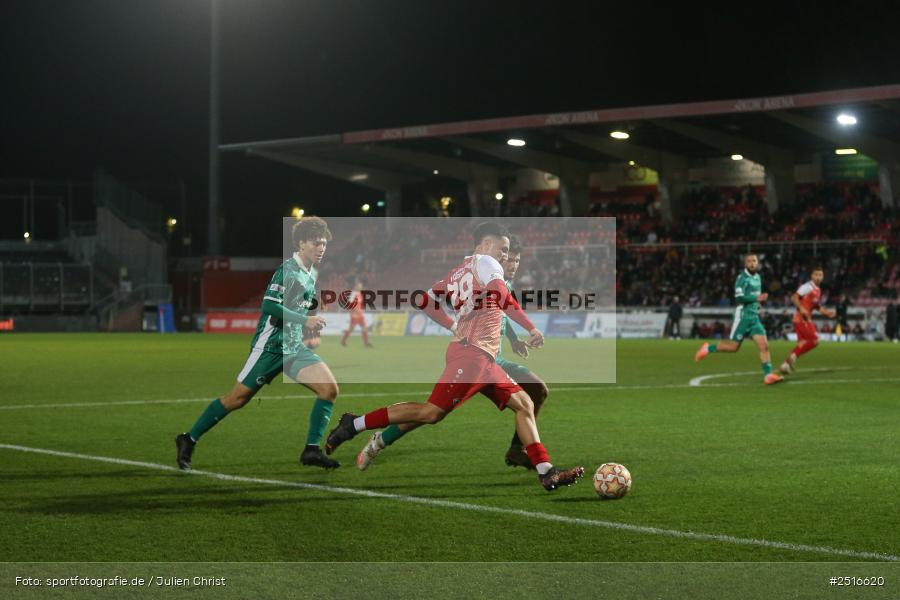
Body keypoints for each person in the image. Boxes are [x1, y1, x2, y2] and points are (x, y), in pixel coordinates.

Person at [326, 222, 584, 491]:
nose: (506, 256)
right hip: (472, 357)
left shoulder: (457, 272)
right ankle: (354, 424)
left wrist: (453, 326)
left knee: (525, 404)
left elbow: (424, 300)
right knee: (431, 413)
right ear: (484, 245)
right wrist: (530, 326)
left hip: (482, 357)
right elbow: (501, 295)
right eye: (503, 249)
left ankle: (546, 471)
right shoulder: (486, 262)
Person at [355, 234, 552, 471]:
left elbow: (500, 312)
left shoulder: (497, 280)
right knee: (431, 412)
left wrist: (513, 339)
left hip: (491, 359)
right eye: (510, 259)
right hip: (474, 356)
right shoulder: (486, 275)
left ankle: (519, 451)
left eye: (517, 260)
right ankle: (379, 438)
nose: (513, 264)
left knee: (535, 392)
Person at [175, 216, 343, 470]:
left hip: (293, 348)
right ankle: (188, 438)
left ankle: (311, 450)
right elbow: (269, 306)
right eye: (316, 242)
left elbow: (297, 305)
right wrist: (305, 319)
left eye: (324, 243)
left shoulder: (310, 273)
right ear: (300, 243)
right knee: (237, 399)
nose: (322, 247)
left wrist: (310, 319)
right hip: (270, 347)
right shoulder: (287, 270)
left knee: (329, 389)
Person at [694, 253, 784, 385]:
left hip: (754, 317)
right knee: (733, 347)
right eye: (749, 261)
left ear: (758, 263)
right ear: (745, 264)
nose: (752, 263)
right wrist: (756, 299)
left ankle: (768, 375)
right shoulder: (742, 278)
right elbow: (739, 298)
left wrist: (757, 303)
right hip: (743, 316)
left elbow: (754, 295)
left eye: (754, 261)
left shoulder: (758, 277)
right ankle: (708, 349)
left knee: (764, 346)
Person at [780, 267, 836, 374]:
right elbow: (794, 297)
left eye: (820, 275)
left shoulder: (818, 290)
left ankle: (786, 364)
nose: (818, 277)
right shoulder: (807, 286)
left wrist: (827, 313)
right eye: (816, 275)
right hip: (802, 318)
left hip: (800, 318)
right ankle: (791, 359)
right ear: (812, 276)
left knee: (802, 343)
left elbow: (816, 306)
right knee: (814, 340)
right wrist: (801, 309)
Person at [340, 278, 372, 348]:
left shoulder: (360, 294)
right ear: (355, 286)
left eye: (361, 286)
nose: (360, 287)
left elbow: (360, 304)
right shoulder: (353, 294)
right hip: (354, 315)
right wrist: (354, 311)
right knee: (351, 329)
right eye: (359, 286)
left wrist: (361, 310)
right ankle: (343, 341)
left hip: (360, 315)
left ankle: (366, 343)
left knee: (364, 328)